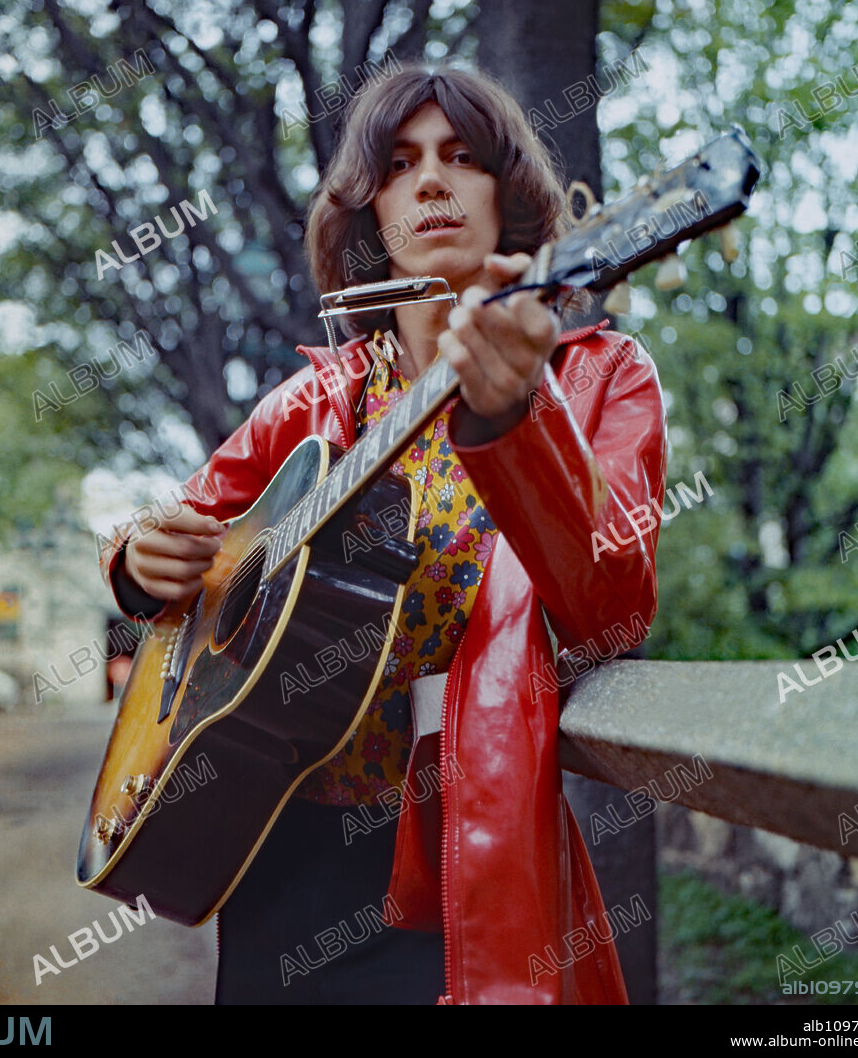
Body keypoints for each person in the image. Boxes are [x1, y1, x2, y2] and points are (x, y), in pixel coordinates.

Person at [99, 62, 667, 1005]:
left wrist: (516, 417)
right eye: (401, 164)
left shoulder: (603, 379)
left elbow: (613, 607)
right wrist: (137, 557)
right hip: (274, 851)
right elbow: (177, 524)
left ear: (510, 194)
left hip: (463, 858)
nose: (433, 181)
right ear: (371, 213)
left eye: (462, 157)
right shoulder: (317, 397)